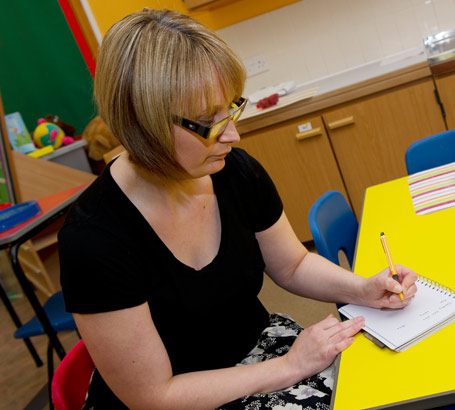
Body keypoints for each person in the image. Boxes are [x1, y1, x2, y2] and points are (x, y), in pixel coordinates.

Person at [58, 8, 418, 410]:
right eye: (207, 122)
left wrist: (362, 288)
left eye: (230, 108)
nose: (233, 133)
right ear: (144, 126)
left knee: (383, 383)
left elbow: (293, 265)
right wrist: (290, 367)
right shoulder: (94, 241)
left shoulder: (234, 172)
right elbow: (153, 396)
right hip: (182, 396)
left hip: (259, 353)